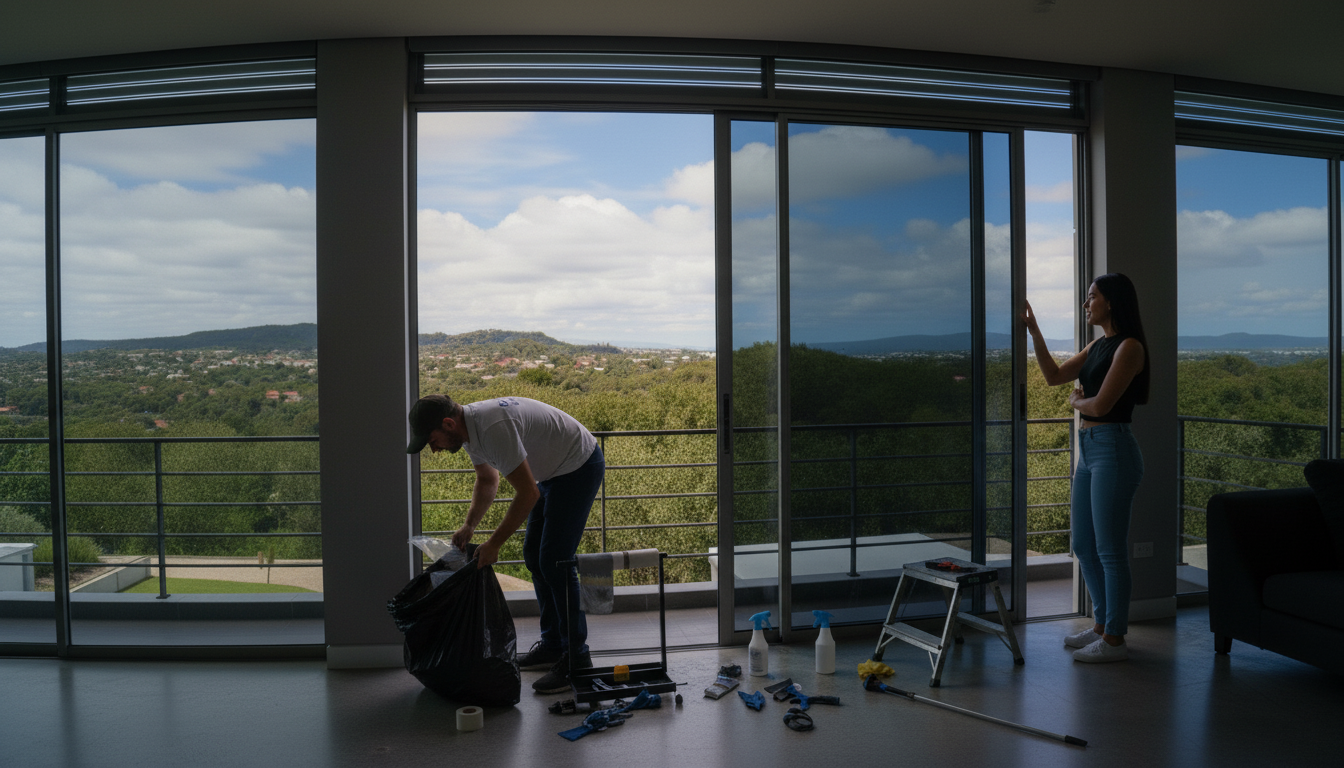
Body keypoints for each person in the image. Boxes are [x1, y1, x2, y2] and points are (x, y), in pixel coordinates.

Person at [407, 394, 605, 692]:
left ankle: (577, 659)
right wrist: (469, 525)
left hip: (578, 466)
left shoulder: (491, 428)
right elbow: (488, 480)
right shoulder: (470, 432)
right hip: (551, 474)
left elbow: (527, 494)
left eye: (432, 441)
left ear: (448, 423)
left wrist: (494, 544)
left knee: (555, 562)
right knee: (533, 556)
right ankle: (553, 645)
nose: (434, 449)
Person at [1023, 273, 1149, 663]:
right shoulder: (1099, 345)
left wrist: (1078, 402)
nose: (1086, 303)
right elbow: (1054, 376)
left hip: (1113, 449)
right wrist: (1034, 330)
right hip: (1090, 450)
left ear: (1110, 301)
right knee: (1082, 544)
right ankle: (1101, 625)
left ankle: (1115, 640)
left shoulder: (1130, 347)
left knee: (1110, 550)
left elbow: (1101, 406)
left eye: (1092, 297)